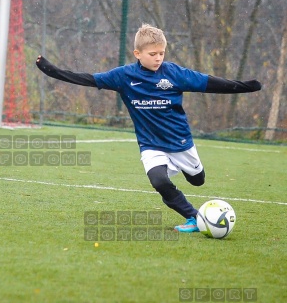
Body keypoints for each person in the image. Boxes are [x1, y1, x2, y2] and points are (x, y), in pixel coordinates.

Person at [36, 23, 261, 232]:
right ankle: (194, 217)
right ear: (138, 54)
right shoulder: (123, 76)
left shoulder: (174, 73)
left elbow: (210, 83)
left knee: (197, 180)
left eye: (161, 53)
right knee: (159, 181)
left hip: (180, 141)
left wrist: (246, 87)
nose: (158, 59)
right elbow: (87, 79)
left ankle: (188, 169)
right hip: (150, 144)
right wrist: (51, 70)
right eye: (152, 54)